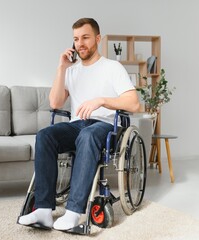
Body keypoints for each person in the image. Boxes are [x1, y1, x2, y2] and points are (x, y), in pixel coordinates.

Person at [18, 17, 140, 231]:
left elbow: (134, 103)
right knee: (45, 135)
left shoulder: (112, 67)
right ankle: (44, 211)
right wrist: (61, 68)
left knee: (88, 135)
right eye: (76, 39)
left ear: (98, 38)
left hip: (104, 125)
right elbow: (55, 103)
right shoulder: (71, 71)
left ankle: (74, 213)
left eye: (85, 37)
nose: (80, 43)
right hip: (77, 124)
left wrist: (101, 100)